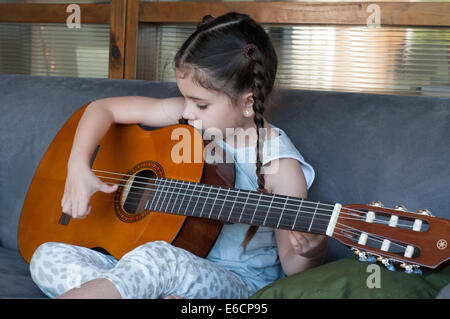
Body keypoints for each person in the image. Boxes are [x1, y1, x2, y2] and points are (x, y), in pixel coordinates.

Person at [29, 12, 328, 299]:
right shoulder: (188, 117)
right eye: (184, 98)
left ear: (248, 102)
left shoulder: (280, 165)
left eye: (199, 104)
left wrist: (309, 252)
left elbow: (292, 266)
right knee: (46, 257)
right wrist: (78, 165)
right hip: (161, 264)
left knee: (158, 259)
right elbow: (101, 109)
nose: (185, 111)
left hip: (238, 283)